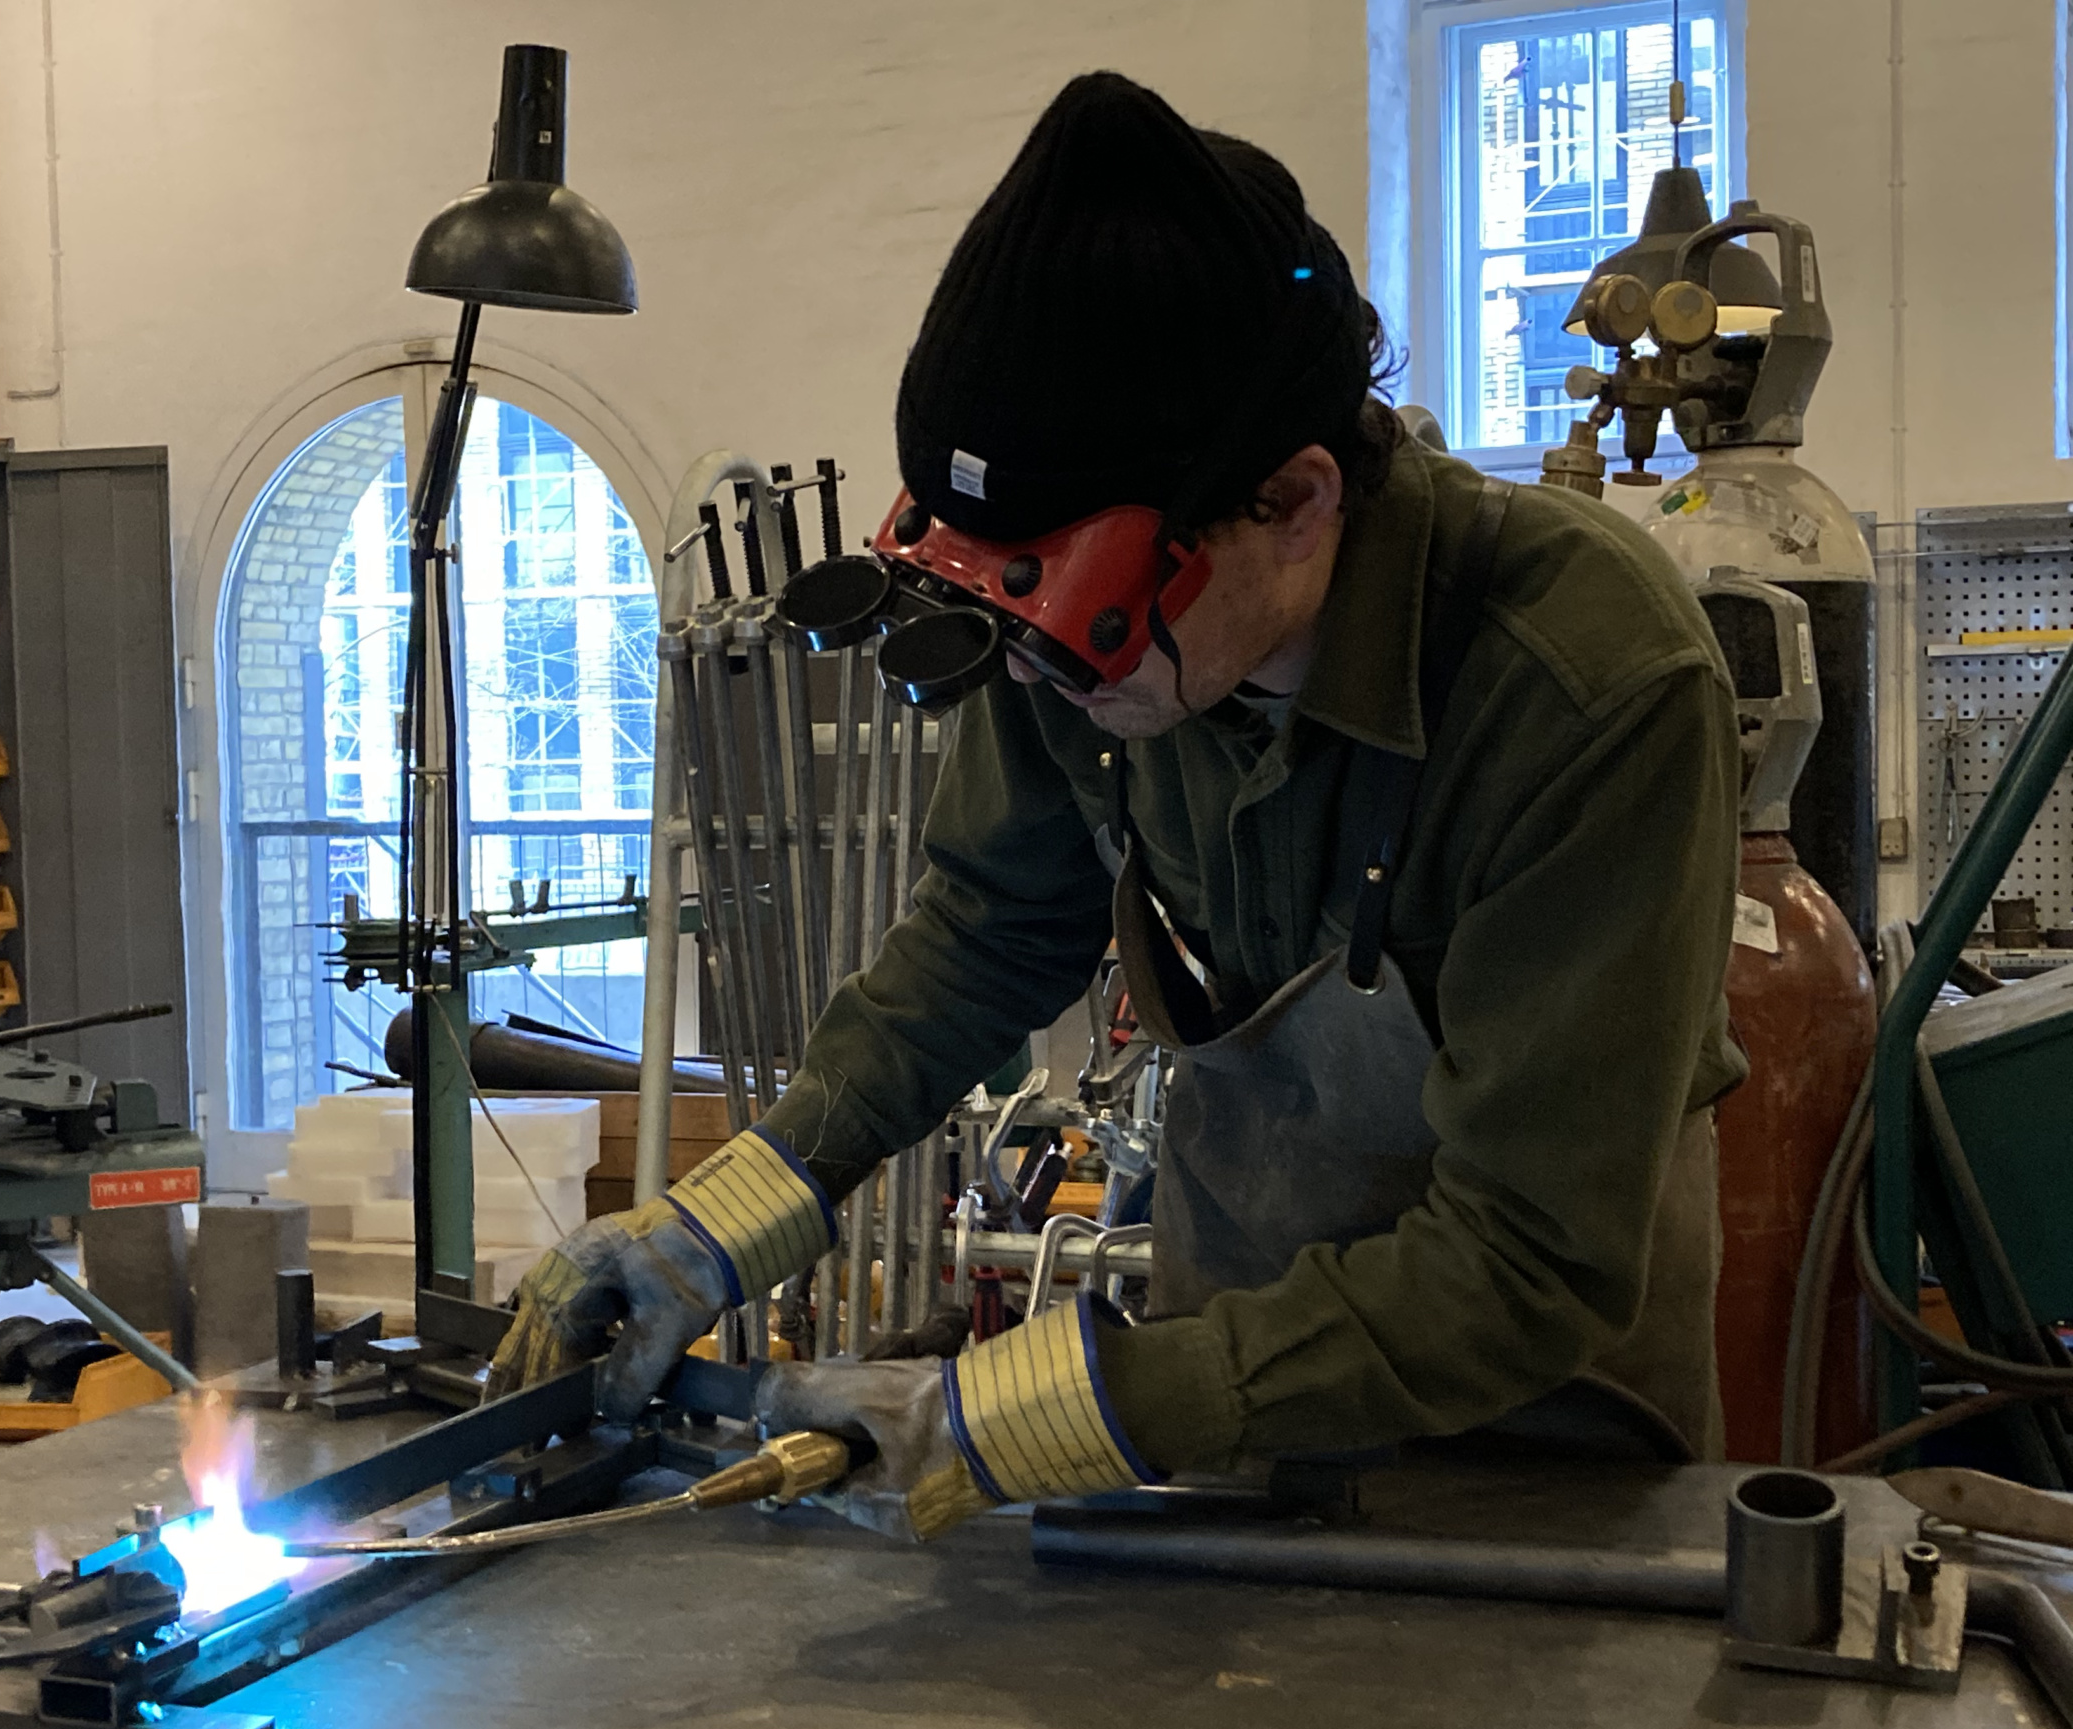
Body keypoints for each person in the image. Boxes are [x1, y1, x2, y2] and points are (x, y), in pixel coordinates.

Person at [488, 70, 1743, 1541]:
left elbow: (1529, 1260)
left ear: (1295, 502)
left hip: (1542, 1441)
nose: (1040, 682)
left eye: (1079, 629)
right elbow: (988, 931)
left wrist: (1045, 1408)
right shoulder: (1083, 654)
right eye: (1008, 625)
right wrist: (726, 1216)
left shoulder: (1586, 681)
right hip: (1223, 1401)